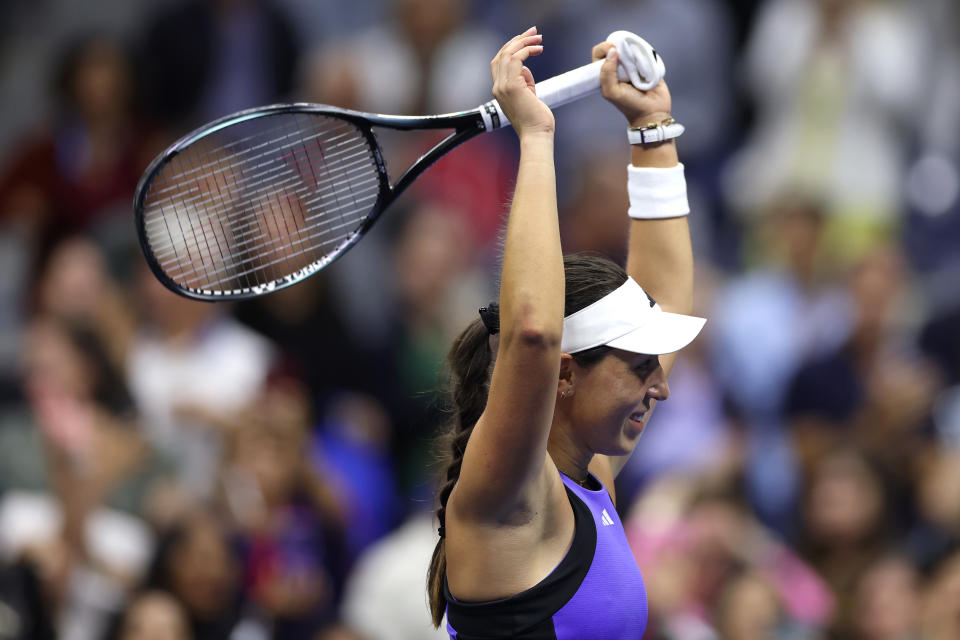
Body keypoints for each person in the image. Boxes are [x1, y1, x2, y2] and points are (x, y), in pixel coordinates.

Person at [425, 28, 705, 637]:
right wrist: (536, 137)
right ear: (565, 373)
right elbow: (532, 331)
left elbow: (668, 291)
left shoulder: (588, 475)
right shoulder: (512, 494)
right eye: (638, 365)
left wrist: (652, 129)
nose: (660, 386)